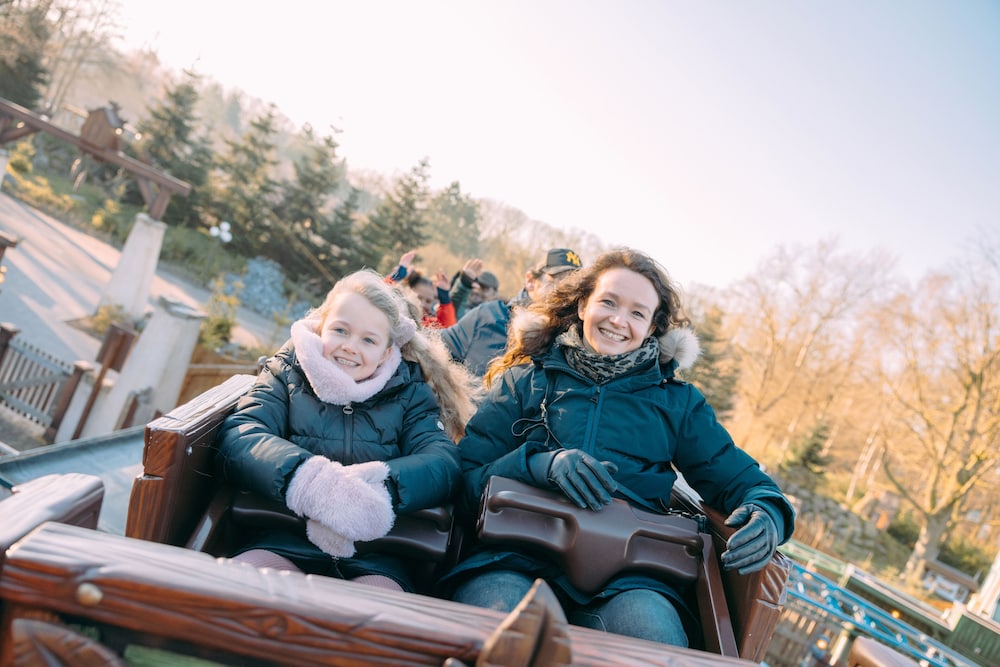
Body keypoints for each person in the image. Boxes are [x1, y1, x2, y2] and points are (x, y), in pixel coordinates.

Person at [440, 248, 795, 647]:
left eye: (637, 313)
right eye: (608, 302)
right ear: (583, 305)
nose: (618, 320)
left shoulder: (677, 404)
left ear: (652, 326)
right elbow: (465, 482)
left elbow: (741, 479)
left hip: (630, 578)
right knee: (503, 632)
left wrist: (769, 511)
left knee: (652, 638)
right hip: (513, 558)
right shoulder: (525, 381)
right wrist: (538, 465)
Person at [215, 269, 480, 593]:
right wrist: (308, 479)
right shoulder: (288, 371)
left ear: (386, 352)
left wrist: (383, 486)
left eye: (368, 340)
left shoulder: (409, 393)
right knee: (239, 586)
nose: (351, 347)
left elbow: (442, 460)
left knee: (378, 611)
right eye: (340, 330)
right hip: (283, 536)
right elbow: (243, 433)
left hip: (374, 553)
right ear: (322, 326)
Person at [441, 248, 583, 377]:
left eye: (574, 286)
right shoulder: (488, 316)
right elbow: (435, 352)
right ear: (530, 281)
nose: (567, 292)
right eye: (558, 282)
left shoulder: (574, 346)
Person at [387, 250, 457, 328]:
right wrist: (396, 277)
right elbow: (380, 297)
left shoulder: (426, 324)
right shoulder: (396, 313)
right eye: (419, 298)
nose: (422, 304)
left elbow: (447, 328)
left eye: (428, 301)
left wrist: (445, 299)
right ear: (407, 291)